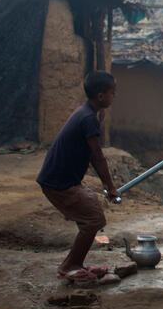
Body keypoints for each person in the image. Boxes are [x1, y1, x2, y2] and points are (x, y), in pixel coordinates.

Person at [36, 70, 121, 282]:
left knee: (91, 212)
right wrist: (110, 187)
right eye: (113, 92)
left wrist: (107, 187)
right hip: (59, 183)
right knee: (94, 219)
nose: (114, 96)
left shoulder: (85, 113)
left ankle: (77, 263)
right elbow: (97, 156)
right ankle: (69, 266)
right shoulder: (88, 119)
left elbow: (92, 156)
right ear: (101, 96)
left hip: (61, 180)